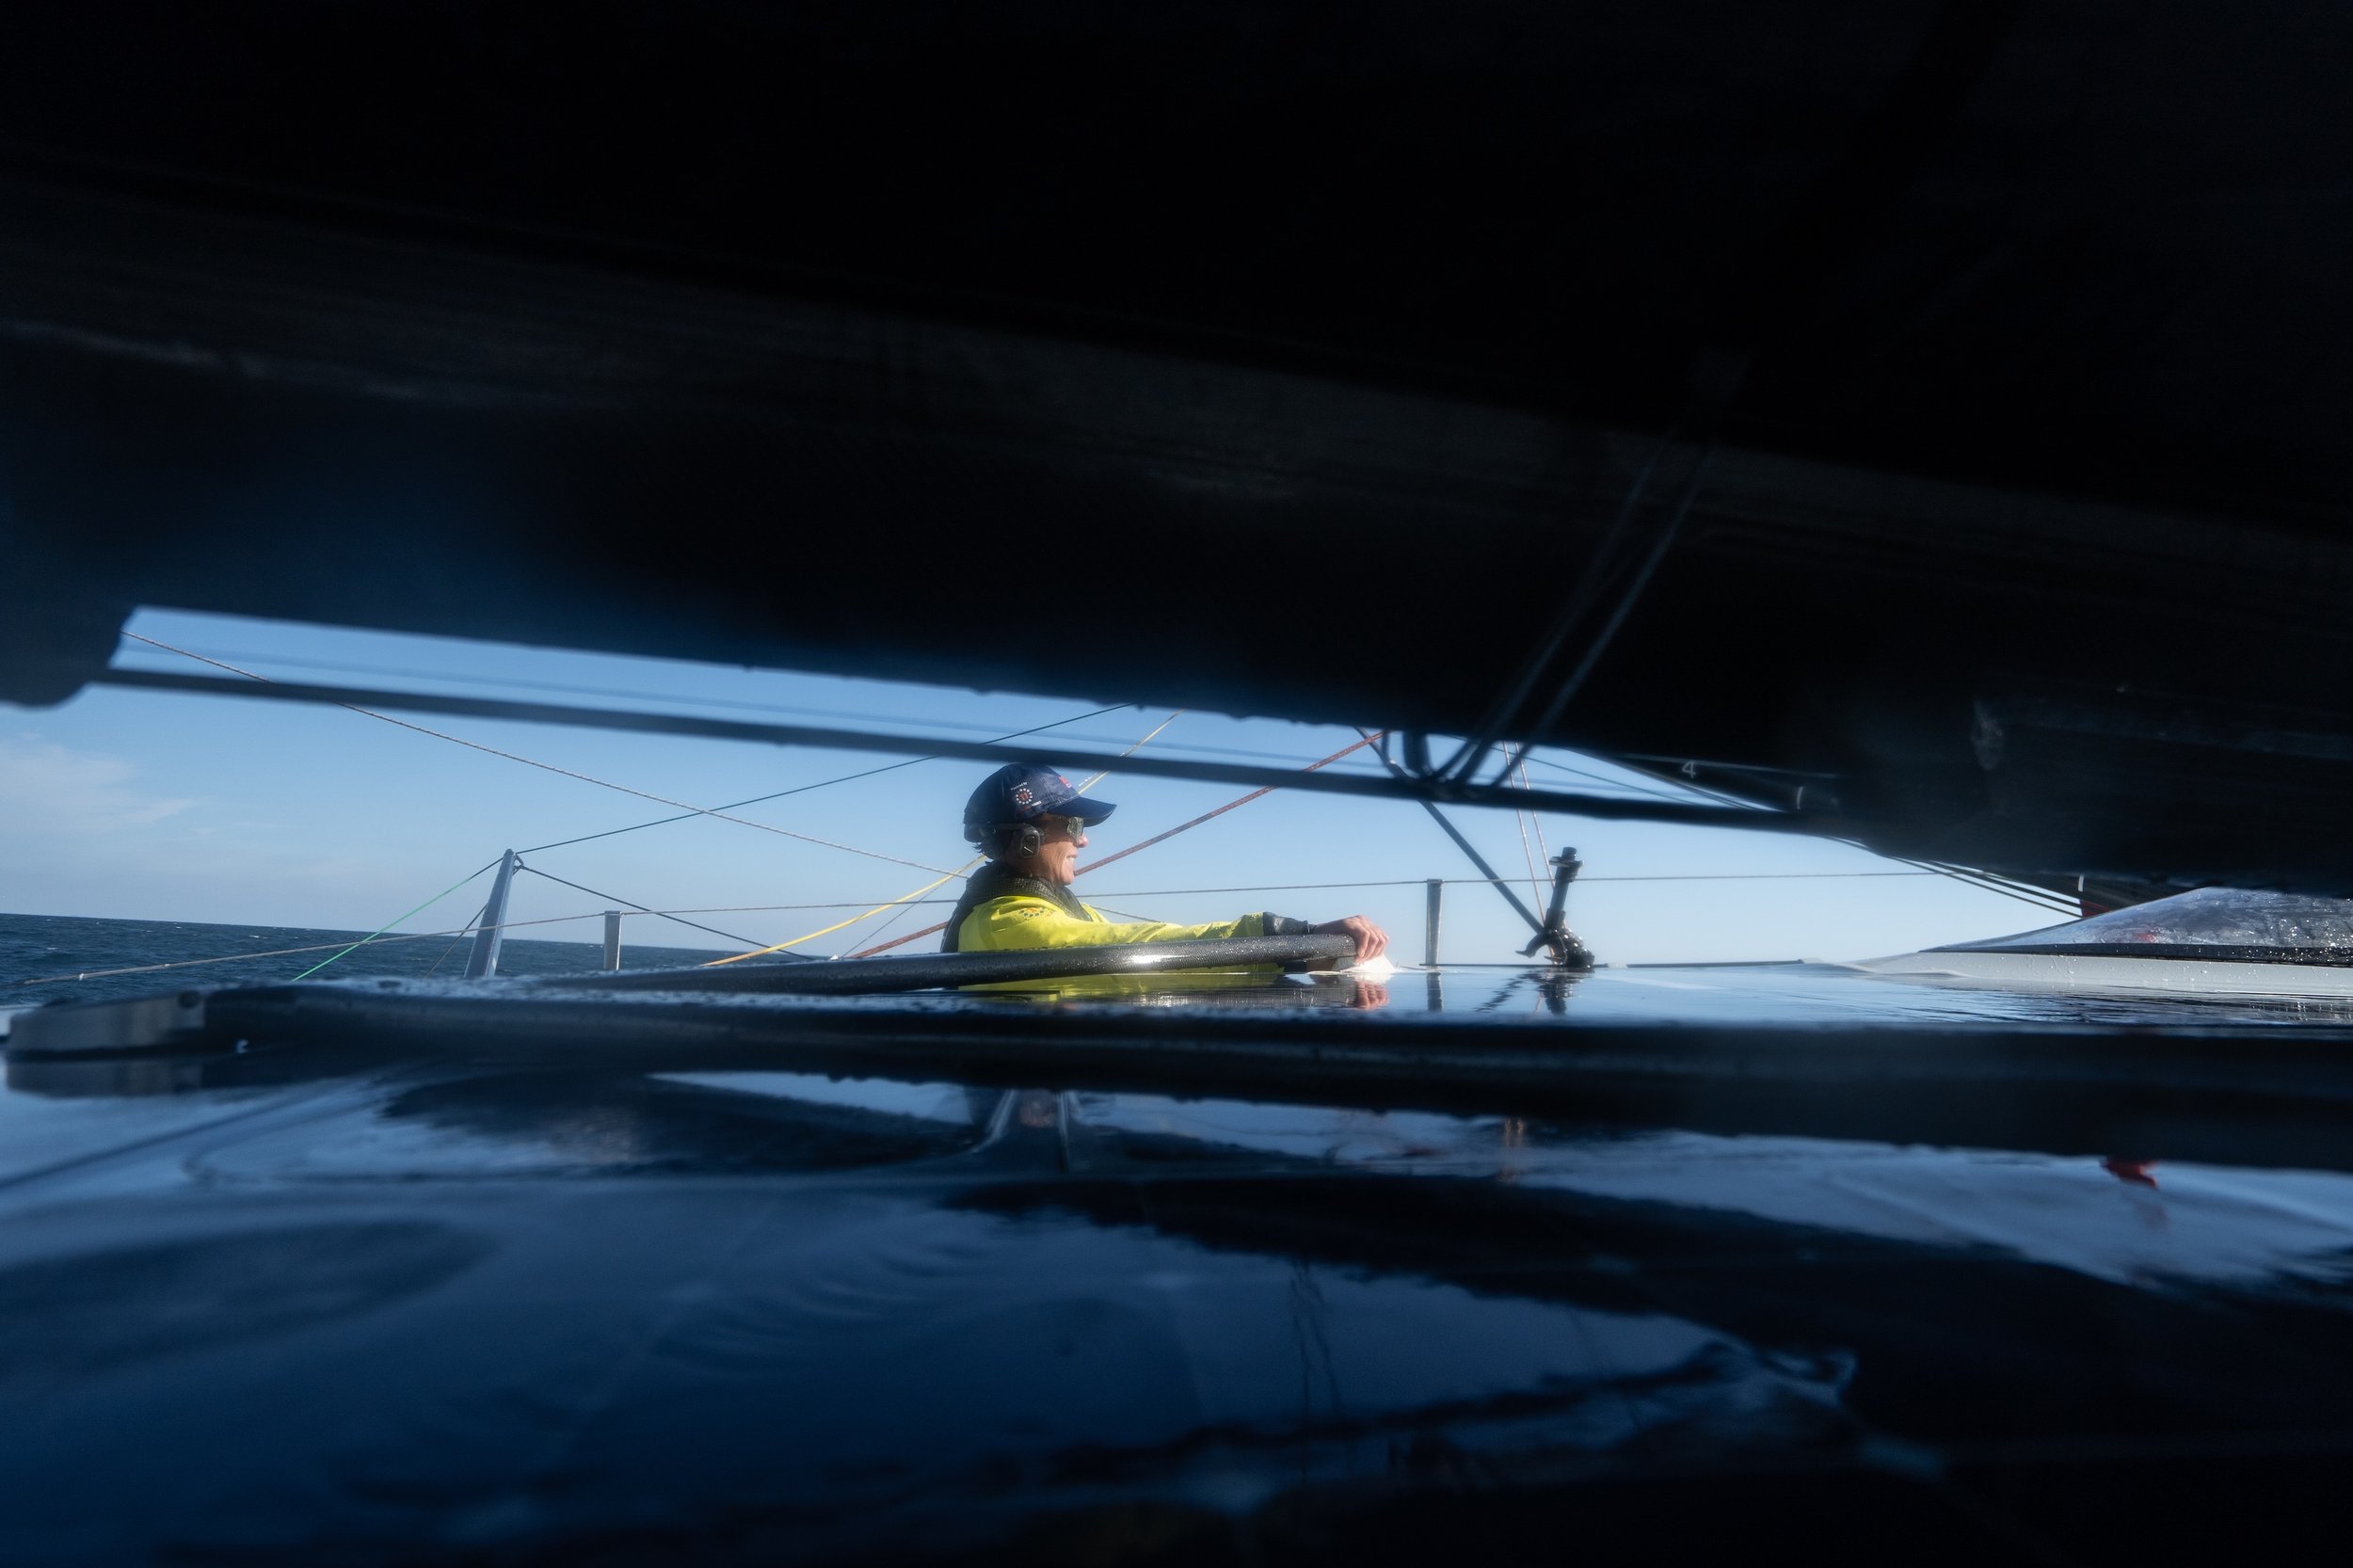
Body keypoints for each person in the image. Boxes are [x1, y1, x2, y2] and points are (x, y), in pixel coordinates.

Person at [943, 761, 1390, 963]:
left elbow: (1125, 936)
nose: (1085, 841)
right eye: (1076, 826)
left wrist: (1302, 955)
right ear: (1026, 840)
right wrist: (1290, 938)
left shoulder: (1047, 904)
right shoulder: (1008, 923)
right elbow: (1135, 947)